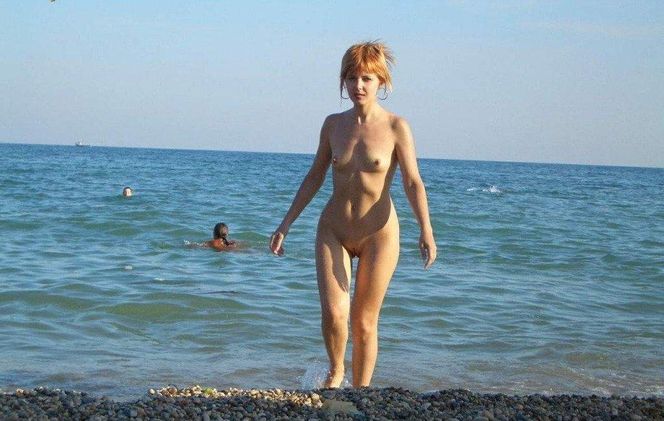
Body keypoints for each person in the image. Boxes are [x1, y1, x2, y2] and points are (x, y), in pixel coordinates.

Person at [269, 41, 437, 388]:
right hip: (334, 230)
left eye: (366, 78)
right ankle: (336, 371)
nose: (358, 85)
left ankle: (362, 392)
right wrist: (285, 224)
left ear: (381, 82)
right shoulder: (333, 125)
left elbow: (412, 181)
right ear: (343, 81)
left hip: (379, 234)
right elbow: (315, 176)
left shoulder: (396, 127)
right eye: (351, 78)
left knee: (363, 322)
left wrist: (426, 229)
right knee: (334, 314)